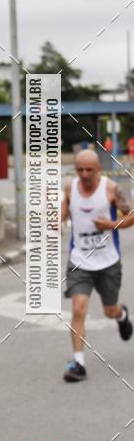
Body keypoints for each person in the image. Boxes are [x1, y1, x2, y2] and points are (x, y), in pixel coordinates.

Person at [62, 150, 134, 382]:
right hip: (79, 260)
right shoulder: (70, 187)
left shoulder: (111, 188)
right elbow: (65, 210)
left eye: (88, 170)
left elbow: (131, 214)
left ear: (98, 170)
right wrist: (56, 220)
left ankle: (121, 315)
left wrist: (112, 224)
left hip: (108, 262)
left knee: (108, 310)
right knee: (78, 309)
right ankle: (78, 364)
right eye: (79, 169)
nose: (83, 174)